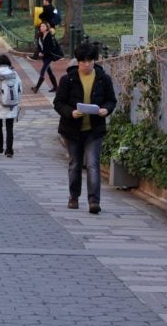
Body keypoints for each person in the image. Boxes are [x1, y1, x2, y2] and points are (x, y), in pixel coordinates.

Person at [53, 43, 117, 214]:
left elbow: (111, 100)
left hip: (94, 130)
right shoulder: (68, 80)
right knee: (74, 164)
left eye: (89, 61)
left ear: (94, 61)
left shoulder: (103, 79)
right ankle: (74, 196)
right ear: (78, 62)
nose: (86, 65)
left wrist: (106, 109)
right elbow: (58, 103)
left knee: (93, 164)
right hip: (71, 129)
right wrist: (70, 112)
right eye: (83, 61)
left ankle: (94, 201)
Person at [0, 54, 21, 157]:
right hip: (11, 105)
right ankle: (9, 150)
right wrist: (16, 101)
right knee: (9, 127)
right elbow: (20, 89)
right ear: (8, 64)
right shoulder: (14, 74)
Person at [29, 21, 60, 93]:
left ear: (47, 27)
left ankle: (36, 88)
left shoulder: (50, 36)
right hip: (44, 56)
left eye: (43, 26)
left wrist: (43, 53)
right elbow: (39, 46)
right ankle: (56, 87)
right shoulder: (40, 36)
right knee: (49, 72)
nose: (42, 27)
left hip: (49, 56)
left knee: (43, 70)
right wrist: (40, 52)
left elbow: (50, 47)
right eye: (41, 26)